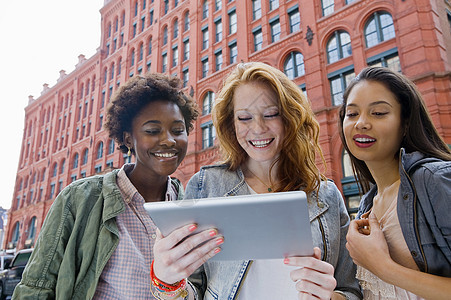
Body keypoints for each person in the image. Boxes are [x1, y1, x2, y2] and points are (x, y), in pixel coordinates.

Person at [152, 62, 362, 300]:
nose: (258, 128)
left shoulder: (327, 195)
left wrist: (330, 297)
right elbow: (192, 291)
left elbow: (351, 290)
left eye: (271, 114)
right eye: (244, 118)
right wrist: (166, 280)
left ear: (289, 117)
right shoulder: (204, 186)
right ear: (231, 124)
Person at [12, 73, 200, 299]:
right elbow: (35, 289)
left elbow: (201, 287)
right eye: (152, 131)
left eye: (178, 130)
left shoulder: (190, 204)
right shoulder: (79, 199)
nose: (169, 140)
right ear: (128, 139)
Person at [338, 66, 451, 299]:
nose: (361, 123)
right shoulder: (367, 208)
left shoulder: (434, 180)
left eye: (378, 113)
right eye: (351, 114)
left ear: (405, 122)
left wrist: (384, 268)